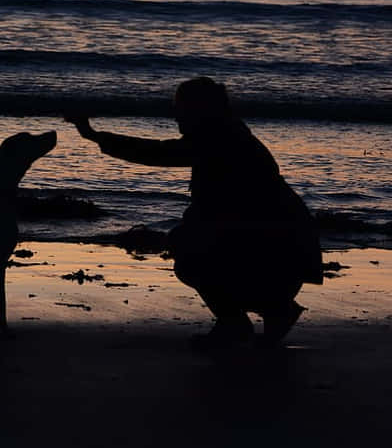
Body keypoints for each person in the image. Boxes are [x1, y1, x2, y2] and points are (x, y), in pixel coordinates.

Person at [66, 77, 323, 350]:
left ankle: (256, 315)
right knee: (189, 243)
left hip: (280, 250)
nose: (176, 115)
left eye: (181, 108)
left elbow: (159, 153)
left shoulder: (220, 139)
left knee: (188, 248)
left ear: (199, 109)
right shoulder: (228, 134)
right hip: (282, 246)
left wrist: (94, 136)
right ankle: (257, 314)